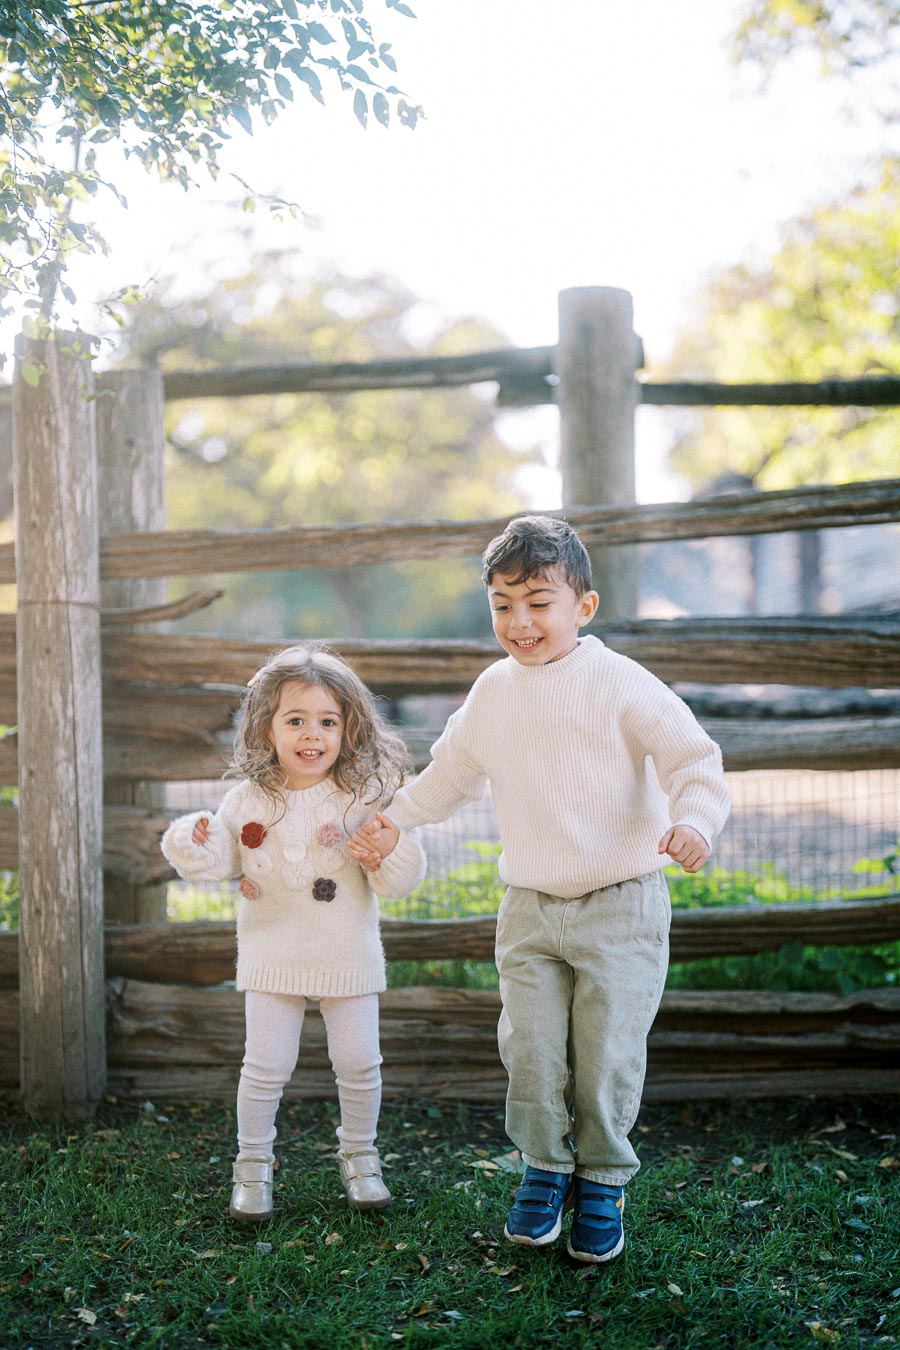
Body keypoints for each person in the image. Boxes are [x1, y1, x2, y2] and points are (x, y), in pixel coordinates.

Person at [351, 516, 730, 1264]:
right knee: (529, 1049)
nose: (519, 622)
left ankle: (603, 1179)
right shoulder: (494, 693)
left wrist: (695, 822)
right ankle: (545, 1167)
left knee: (607, 1051)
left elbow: (695, 758)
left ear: (583, 606)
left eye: (538, 602)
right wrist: (395, 819)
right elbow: (450, 774)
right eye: (502, 604)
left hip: (620, 902)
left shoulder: (620, 682)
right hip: (529, 908)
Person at [161, 645, 426, 1224]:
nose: (313, 735)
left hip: (347, 953)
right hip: (272, 952)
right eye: (296, 720)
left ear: (349, 727)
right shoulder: (248, 799)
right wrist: (193, 840)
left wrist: (389, 850)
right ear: (267, 726)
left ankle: (360, 1155)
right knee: (265, 1065)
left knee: (359, 1061)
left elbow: (401, 881)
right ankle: (252, 1166)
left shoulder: (365, 797)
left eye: (328, 722)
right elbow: (218, 861)